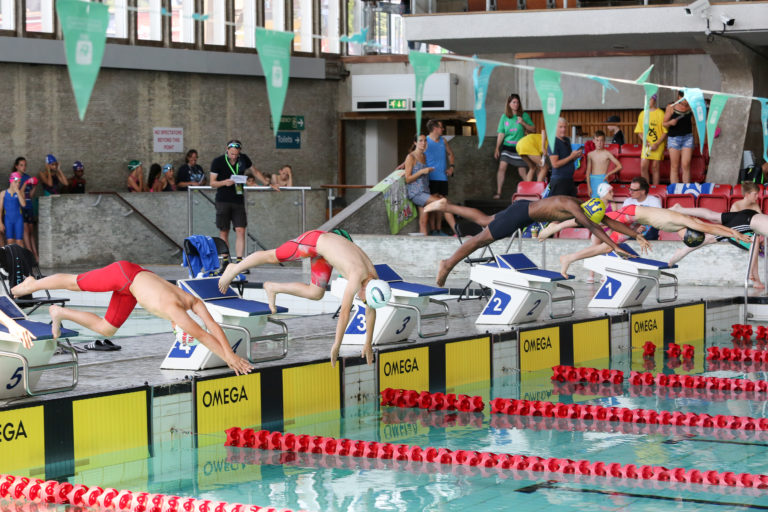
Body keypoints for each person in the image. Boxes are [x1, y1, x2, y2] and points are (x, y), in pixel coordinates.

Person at [11, 261, 253, 375]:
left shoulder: (193, 301)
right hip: (125, 274)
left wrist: (229, 353)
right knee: (76, 283)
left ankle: (59, 312)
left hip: (133, 288)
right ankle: (33, 283)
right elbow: (202, 334)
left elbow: (212, 325)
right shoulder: (176, 311)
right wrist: (229, 356)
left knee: (107, 329)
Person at [217, 229, 385, 367]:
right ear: (366, 288)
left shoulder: (374, 279)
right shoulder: (357, 276)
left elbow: (371, 311)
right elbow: (344, 314)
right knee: (272, 256)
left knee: (315, 293)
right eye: (363, 299)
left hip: (325, 252)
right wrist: (336, 345)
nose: (361, 299)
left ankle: (273, 287)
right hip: (314, 241)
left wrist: (368, 344)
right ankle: (234, 268)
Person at [425, 196, 642, 286]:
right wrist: (614, 247)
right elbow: (594, 226)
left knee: (485, 220)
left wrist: (636, 235)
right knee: (480, 240)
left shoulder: (583, 204)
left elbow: (609, 222)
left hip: (523, 209)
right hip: (522, 216)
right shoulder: (574, 207)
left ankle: (446, 206)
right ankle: (448, 264)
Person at [540, 201, 752, 276]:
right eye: (685, 239)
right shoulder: (689, 223)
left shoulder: (683, 227)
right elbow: (713, 227)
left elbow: (712, 232)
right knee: (592, 221)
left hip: (634, 220)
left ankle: (568, 258)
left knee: (608, 248)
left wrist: (736, 235)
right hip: (631, 213)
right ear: (689, 233)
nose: (681, 238)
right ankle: (555, 226)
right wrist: (735, 233)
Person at [210, 140, 276, 262]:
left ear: (239, 152)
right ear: (227, 150)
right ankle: (225, 260)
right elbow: (212, 183)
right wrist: (225, 182)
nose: (234, 156)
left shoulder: (243, 159)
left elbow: (255, 172)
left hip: (238, 199)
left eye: (236, 154)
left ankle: (240, 260)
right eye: (231, 154)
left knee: (241, 229)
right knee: (224, 230)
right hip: (223, 199)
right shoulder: (218, 161)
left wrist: (268, 183)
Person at [405, 133, 457, 236]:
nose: (423, 143)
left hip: (425, 191)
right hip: (417, 193)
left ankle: (423, 246)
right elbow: (407, 179)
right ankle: (458, 233)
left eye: (425, 140)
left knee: (423, 221)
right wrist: (422, 172)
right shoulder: (411, 157)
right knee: (444, 202)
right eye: (420, 141)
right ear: (415, 143)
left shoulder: (424, 155)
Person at [494, 93, 535, 197]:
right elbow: (501, 133)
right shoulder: (504, 117)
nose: (516, 104)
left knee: (522, 171)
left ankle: (530, 192)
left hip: (520, 147)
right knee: (502, 167)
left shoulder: (524, 115)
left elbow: (533, 129)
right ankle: (498, 192)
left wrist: (523, 123)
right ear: (509, 104)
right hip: (507, 146)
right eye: (514, 102)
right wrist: (497, 148)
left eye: (517, 102)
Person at [425, 120, 455, 234]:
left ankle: (439, 229)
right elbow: (413, 155)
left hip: (442, 177)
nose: (443, 129)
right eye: (441, 127)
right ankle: (433, 230)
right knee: (433, 204)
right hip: (429, 177)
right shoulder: (425, 141)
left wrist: (451, 167)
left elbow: (450, 153)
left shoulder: (443, 141)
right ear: (435, 128)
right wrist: (404, 165)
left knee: (441, 204)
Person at [634, 93, 667, 185]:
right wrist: (645, 141)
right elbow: (639, 131)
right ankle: (646, 187)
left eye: (649, 99)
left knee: (655, 167)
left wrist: (657, 143)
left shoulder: (660, 113)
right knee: (643, 166)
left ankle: (655, 188)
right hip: (647, 144)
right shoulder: (642, 114)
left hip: (658, 144)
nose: (647, 102)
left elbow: (665, 132)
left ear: (654, 100)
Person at [663, 90, 694, 184]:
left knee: (686, 164)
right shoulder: (671, 107)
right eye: (684, 99)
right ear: (679, 97)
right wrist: (670, 123)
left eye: (687, 99)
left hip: (688, 137)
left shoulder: (691, 106)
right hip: (674, 138)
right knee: (674, 166)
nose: (686, 102)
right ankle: (675, 190)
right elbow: (664, 123)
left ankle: (686, 189)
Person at [12, 158, 39, 263]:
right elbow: (19, 194)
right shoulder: (15, 178)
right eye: (21, 165)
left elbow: (30, 195)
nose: (24, 167)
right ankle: (30, 255)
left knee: (31, 231)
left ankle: (36, 255)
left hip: (29, 206)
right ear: (16, 166)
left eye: (25, 165)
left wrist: (34, 186)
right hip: (20, 206)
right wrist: (25, 183)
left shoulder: (27, 177)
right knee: (25, 231)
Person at [547, 118, 582, 197]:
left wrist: (575, 156)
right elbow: (555, 164)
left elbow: (568, 159)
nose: (563, 129)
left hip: (569, 179)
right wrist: (571, 157)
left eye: (565, 127)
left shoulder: (566, 140)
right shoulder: (553, 143)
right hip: (559, 179)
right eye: (560, 127)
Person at [585, 130, 622, 198]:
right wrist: (589, 187)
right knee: (594, 204)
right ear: (593, 140)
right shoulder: (590, 154)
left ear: (604, 141)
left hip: (603, 179)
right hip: (593, 180)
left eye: (601, 140)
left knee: (604, 202)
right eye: (597, 140)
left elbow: (619, 166)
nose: (599, 143)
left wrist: (608, 174)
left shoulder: (607, 153)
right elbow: (588, 172)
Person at [0, 173, 27, 247]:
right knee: (10, 241)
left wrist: (18, 192)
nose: (17, 184)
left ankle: (20, 258)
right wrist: (0, 222)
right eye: (16, 182)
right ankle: (11, 258)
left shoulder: (20, 193)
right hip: (8, 220)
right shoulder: (3, 193)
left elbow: (23, 204)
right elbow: (0, 209)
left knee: (19, 241)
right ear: (11, 181)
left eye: (19, 182)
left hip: (18, 219)